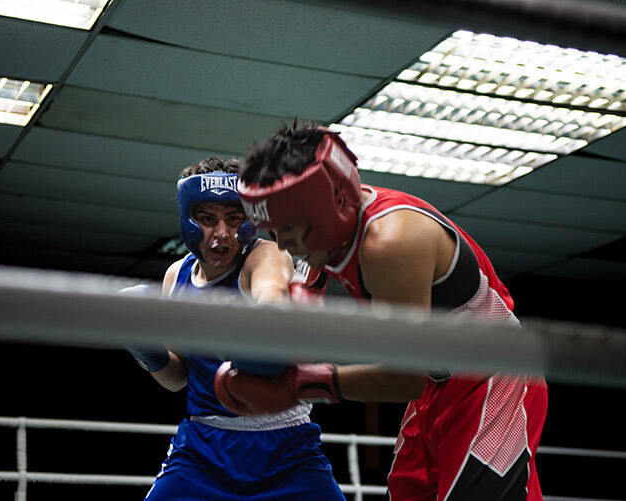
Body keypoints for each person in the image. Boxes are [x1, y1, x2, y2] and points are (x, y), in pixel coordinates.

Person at [214, 126, 549, 500]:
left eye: (289, 227)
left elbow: (403, 379)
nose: (282, 243)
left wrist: (299, 387)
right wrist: (266, 358)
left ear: (334, 203)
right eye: (273, 230)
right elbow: (304, 299)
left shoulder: (390, 242)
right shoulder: (329, 232)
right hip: (436, 382)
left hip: (495, 376)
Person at [125, 157, 345, 501]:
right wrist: (148, 353)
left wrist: (263, 328)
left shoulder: (265, 255)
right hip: (203, 449)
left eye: (234, 218)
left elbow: (270, 297)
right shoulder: (176, 277)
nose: (222, 234)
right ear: (187, 220)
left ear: (250, 220)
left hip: (284, 447)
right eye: (207, 219)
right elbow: (177, 379)